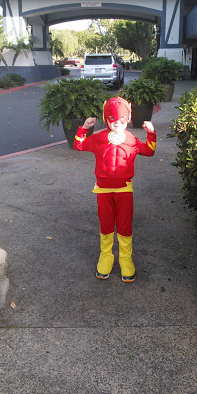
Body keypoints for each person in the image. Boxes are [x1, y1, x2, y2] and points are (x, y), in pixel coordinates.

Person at [73, 96, 156, 283]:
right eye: (112, 119)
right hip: (103, 190)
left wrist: (151, 134)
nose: (117, 123)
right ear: (106, 117)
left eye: (122, 119)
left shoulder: (132, 140)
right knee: (106, 225)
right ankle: (106, 256)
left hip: (124, 190)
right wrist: (84, 128)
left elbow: (150, 151)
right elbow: (78, 144)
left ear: (128, 119)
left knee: (125, 227)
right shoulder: (99, 138)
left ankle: (126, 259)